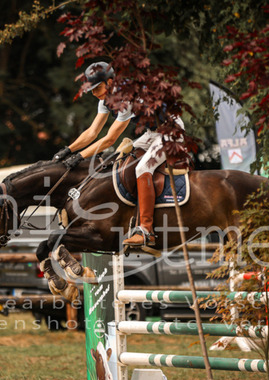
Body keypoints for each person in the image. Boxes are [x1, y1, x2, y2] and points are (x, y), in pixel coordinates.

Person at [52, 61, 184, 247]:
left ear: (110, 82)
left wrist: (80, 157)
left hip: (171, 132)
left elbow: (109, 139)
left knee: (142, 168)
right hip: (152, 133)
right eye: (92, 90)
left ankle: (146, 231)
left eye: (98, 88)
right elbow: (92, 132)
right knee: (119, 159)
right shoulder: (105, 100)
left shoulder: (125, 99)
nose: (95, 93)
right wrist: (68, 150)